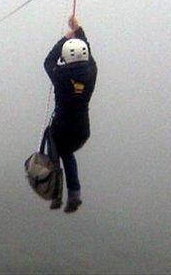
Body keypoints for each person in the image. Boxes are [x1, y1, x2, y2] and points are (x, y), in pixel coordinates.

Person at [43, 16, 97, 213]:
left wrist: (66, 38)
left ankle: (55, 194)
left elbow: (48, 61)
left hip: (62, 128)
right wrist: (79, 30)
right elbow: (88, 55)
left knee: (55, 151)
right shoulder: (91, 72)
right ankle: (74, 194)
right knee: (67, 153)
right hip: (82, 130)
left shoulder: (60, 75)